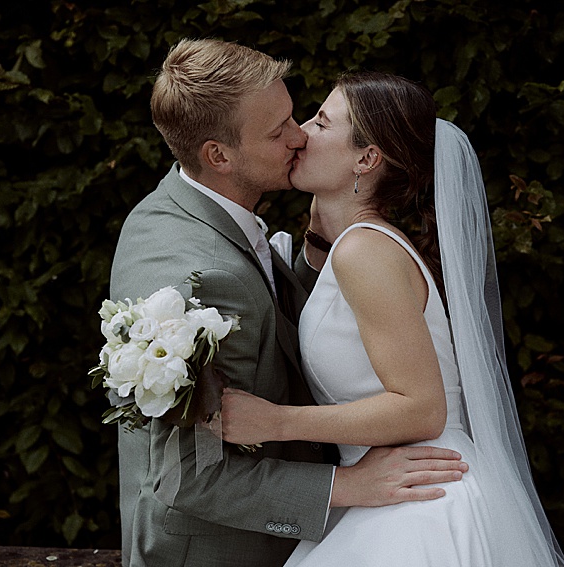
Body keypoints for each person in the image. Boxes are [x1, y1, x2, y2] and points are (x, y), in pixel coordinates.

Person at [110, 40, 468, 567]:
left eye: (298, 117)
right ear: (219, 155)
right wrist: (343, 486)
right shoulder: (195, 278)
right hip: (219, 552)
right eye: (278, 131)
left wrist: (319, 246)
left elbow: (278, 325)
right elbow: (189, 474)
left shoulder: (177, 210)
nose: (299, 135)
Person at [220, 71, 564, 566]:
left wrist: (275, 422)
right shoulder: (356, 245)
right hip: (391, 484)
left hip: (421, 496)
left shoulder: (365, 250)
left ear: (366, 159)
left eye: (321, 122)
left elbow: (422, 408)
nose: (300, 133)